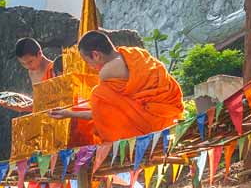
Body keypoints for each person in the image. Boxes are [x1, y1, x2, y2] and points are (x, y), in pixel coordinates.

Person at [48, 30, 184, 142]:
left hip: (149, 126)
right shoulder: (136, 53)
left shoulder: (107, 71)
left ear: (96, 55)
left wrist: (69, 113)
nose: (90, 67)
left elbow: (101, 113)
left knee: (97, 94)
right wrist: (69, 113)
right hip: (170, 117)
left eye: (87, 62)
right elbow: (114, 110)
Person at [11, 37, 64, 188]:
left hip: (58, 124)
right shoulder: (30, 71)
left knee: (70, 171)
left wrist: (33, 107)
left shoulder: (55, 69)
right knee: (37, 174)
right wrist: (26, 107)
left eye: (30, 62)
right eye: (23, 64)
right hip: (40, 127)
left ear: (40, 54)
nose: (28, 67)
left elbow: (60, 99)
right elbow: (38, 103)